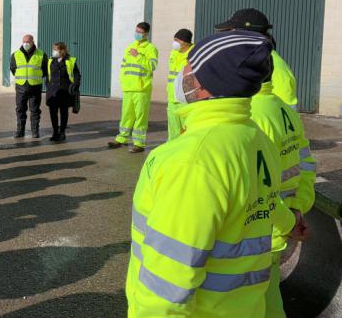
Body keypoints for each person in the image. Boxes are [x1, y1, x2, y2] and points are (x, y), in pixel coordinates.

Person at [126, 31, 305, 317]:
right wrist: (289, 222)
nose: (182, 71)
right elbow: (264, 201)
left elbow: (167, 287)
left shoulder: (190, 162)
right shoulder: (256, 139)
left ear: (206, 86)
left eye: (190, 66)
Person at [250, 69, 316, 318]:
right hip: (283, 222)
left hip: (263, 229)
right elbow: (307, 163)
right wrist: (298, 209)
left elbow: (257, 186)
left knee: (257, 302)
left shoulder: (251, 115)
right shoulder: (283, 108)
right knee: (270, 299)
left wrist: (288, 219)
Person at [215, 8, 298, 109]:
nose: (227, 37)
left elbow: (282, 111)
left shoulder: (272, 66)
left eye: (231, 32)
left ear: (247, 35)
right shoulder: (250, 61)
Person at [108, 22, 158, 153]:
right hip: (129, 88)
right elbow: (124, 66)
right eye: (136, 31)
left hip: (141, 89)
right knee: (126, 115)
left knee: (140, 116)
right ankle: (122, 138)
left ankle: (139, 143)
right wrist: (123, 82)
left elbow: (152, 66)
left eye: (140, 32)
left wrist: (139, 56)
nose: (137, 34)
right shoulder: (130, 47)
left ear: (146, 34)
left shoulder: (151, 49)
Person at [10, 34, 48, 138]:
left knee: (35, 110)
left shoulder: (41, 54)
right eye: (24, 41)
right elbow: (13, 69)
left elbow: (45, 71)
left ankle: (35, 132)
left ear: (33, 42)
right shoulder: (15, 54)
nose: (26, 44)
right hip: (21, 87)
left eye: (28, 42)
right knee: (20, 109)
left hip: (35, 87)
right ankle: (20, 131)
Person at [46, 42, 81, 142]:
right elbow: (47, 75)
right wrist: (48, 87)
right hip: (52, 92)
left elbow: (77, 75)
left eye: (56, 49)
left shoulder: (70, 61)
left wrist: (75, 86)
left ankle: (62, 133)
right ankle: (55, 132)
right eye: (53, 49)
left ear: (62, 50)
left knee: (63, 113)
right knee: (53, 113)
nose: (54, 51)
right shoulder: (50, 61)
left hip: (65, 92)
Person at [166, 29, 194, 141]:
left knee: (187, 131)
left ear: (185, 42)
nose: (174, 42)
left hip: (185, 100)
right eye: (174, 39)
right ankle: (171, 153)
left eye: (177, 40)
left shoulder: (193, 54)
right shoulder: (174, 53)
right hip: (172, 99)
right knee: (172, 132)